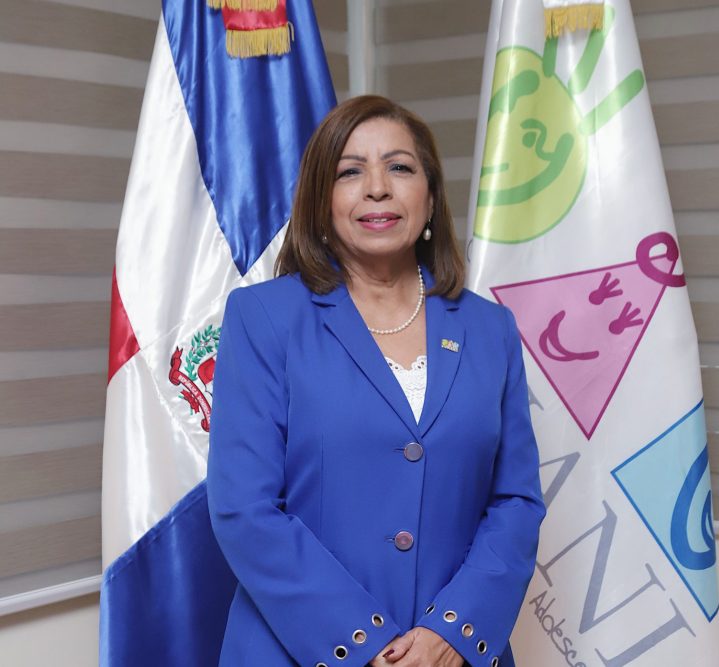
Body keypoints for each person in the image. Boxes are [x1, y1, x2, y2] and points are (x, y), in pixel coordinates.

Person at [207, 95, 546, 667]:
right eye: (350, 172)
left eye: (399, 167)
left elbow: (515, 501)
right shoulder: (263, 318)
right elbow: (245, 509)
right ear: (321, 202)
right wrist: (364, 643)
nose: (377, 189)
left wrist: (452, 634)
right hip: (297, 651)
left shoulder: (491, 329)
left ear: (430, 197)